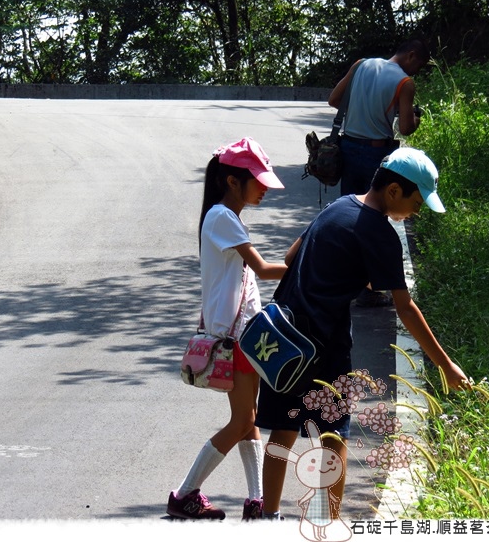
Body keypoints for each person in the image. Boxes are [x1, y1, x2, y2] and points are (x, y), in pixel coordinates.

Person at [256, 147, 469, 522]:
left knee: (284, 429)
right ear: (393, 192)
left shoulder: (336, 208)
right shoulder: (381, 235)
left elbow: (291, 259)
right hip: (325, 344)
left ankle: (267, 518)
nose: (416, 212)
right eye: (417, 203)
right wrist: (445, 365)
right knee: (333, 435)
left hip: (285, 336)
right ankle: (326, 522)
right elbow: (405, 308)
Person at [167, 137, 288, 521]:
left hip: (241, 335)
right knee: (242, 421)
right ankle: (185, 493)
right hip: (235, 337)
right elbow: (266, 270)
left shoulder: (226, 217)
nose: (264, 187)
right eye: (257, 180)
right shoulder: (222, 217)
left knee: (247, 418)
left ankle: (255, 501)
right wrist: (313, 255)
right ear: (233, 181)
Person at [327, 39, 431, 306]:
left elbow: (334, 100)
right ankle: (369, 290)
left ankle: (344, 281)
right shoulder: (405, 83)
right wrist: (415, 118)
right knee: (373, 219)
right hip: (375, 154)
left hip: (348, 149)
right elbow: (406, 128)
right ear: (411, 55)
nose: (415, 72)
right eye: (417, 65)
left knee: (350, 214)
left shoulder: (361, 65)